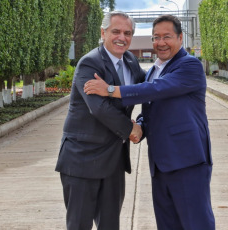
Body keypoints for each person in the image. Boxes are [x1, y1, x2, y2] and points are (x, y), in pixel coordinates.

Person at [84, 14, 215, 230]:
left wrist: (109, 90)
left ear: (180, 38)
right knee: (167, 224)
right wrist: (140, 127)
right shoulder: (154, 70)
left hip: (188, 163)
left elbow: (155, 90)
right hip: (161, 165)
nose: (160, 43)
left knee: (195, 223)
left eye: (167, 37)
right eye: (156, 37)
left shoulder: (189, 66)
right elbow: (151, 110)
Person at [55, 11, 145, 230]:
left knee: (110, 225)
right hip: (82, 160)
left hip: (114, 161)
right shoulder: (90, 64)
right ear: (103, 32)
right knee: (79, 225)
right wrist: (131, 128)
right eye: (116, 31)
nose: (121, 37)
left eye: (127, 33)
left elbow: (146, 90)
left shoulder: (131, 61)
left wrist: (143, 124)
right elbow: (99, 108)